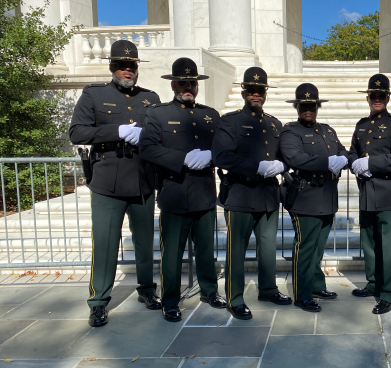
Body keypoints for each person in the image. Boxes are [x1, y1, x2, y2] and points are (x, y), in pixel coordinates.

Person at [69, 39, 161, 327]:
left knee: (145, 242)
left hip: (143, 180)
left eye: (131, 65)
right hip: (108, 181)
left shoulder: (151, 98)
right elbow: (77, 132)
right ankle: (98, 301)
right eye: (121, 65)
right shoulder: (93, 95)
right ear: (111, 67)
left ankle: (147, 290)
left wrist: (146, 135)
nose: (127, 70)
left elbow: (160, 134)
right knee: (106, 242)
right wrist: (117, 131)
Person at [138, 57, 226, 322]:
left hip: (205, 193)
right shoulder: (158, 113)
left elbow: (223, 148)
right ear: (174, 83)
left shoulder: (210, 115)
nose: (188, 87)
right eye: (183, 82)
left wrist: (212, 154)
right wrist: (182, 159)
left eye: (192, 82)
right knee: (172, 253)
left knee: (206, 249)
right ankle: (171, 299)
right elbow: (148, 148)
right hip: (174, 192)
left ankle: (209, 290)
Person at [212, 67, 292, 320]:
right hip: (241, 194)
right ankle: (235, 298)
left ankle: (267, 289)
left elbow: (284, 155)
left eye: (260, 90)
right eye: (252, 90)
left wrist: (283, 165)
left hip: (268, 196)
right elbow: (221, 156)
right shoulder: (229, 121)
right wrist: (256, 167)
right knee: (237, 250)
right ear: (244, 91)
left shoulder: (273, 123)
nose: (256, 94)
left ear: (265, 93)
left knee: (268, 248)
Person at [279, 83, 348, 312]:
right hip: (305, 198)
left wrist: (344, 159)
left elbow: (343, 151)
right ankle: (302, 293)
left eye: (312, 105)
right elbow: (295, 158)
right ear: (297, 107)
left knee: (318, 248)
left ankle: (317, 285)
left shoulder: (327, 130)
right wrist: (328, 162)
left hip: (327, 197)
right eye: (303, 105)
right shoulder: (290, 131)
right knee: (305, 247)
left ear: (317, 106)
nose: (308, 109)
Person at [348, 74, 391, 314]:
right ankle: (373, 282)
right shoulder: (361, 125)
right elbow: (353, 152)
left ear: (388, 97)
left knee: (388, 245)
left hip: (388, 192)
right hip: (367, 192)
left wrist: (370, 163)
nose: (377, 99)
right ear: (367, 97)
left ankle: (389, 292)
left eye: (381, 95)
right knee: (370, 243)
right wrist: (355, 163)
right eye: (373, 95)